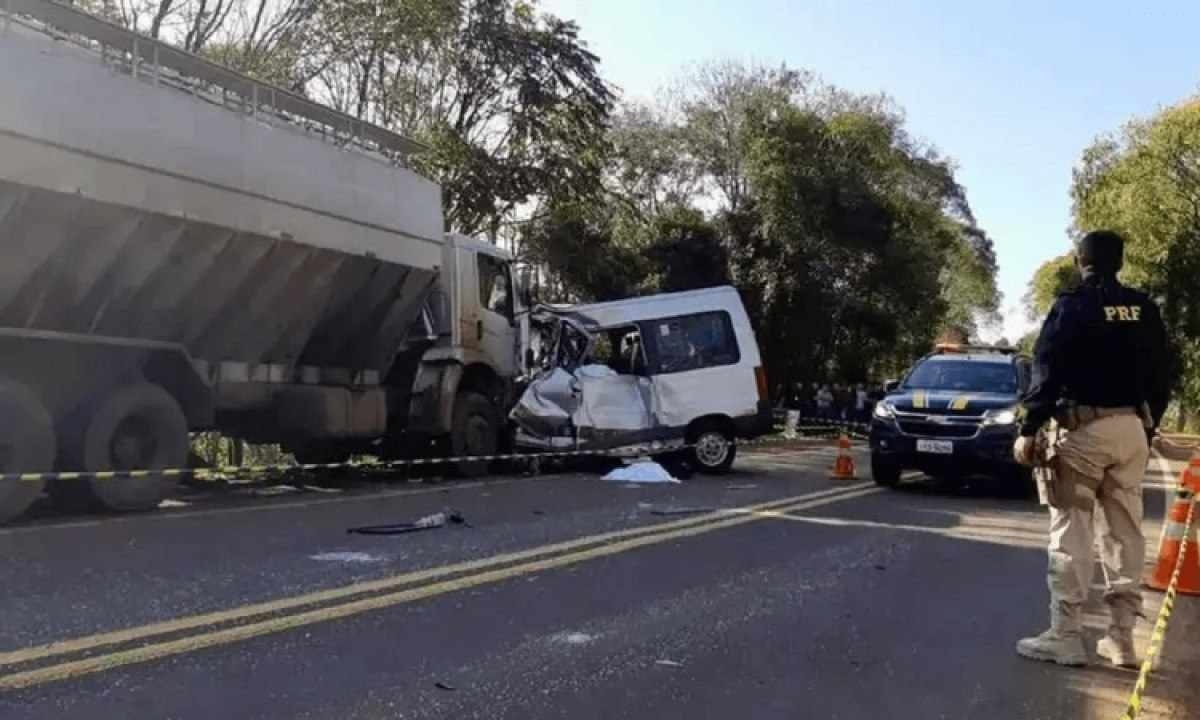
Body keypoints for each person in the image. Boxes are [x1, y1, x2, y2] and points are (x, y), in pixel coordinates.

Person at [1012, 230, 1170, 668]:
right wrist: (1148, 425)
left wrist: (1030, 426)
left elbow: (1046, 368)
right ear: (1119, 262)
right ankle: (1121, 640)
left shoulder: (1072, 306)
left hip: (1083, 433)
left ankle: (1065, 635)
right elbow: (1162, 376)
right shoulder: (1144, 308)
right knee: (1124, 534)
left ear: (1081, 260)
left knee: (1072, 532)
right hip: (1132, 430)